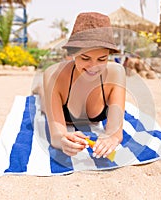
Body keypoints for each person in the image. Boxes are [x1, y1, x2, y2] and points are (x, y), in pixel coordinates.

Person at [37, 12, 126, 159]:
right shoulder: (54, 75)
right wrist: (63, 140)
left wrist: (111, 138)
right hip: (54, 88)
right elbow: (57, 135)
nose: (93, 67)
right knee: (42, 96)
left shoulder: (116, 73)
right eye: (85, 58)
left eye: (102, 59)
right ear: (73, 54)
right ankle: (40, 88)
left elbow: (115, 130)